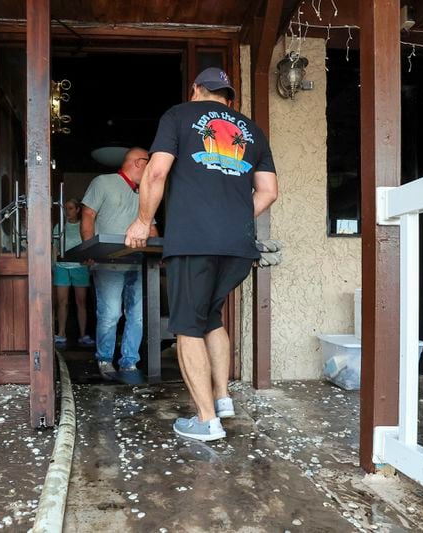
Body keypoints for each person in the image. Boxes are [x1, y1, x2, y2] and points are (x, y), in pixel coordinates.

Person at [125, 68, 278, 441]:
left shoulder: (178, 115)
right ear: (229, 97)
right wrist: (235, 218)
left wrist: (143, 221)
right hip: (239, 247)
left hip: (194, 242)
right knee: (211, 317)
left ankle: (206, 421)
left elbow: (157, 172)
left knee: (187, 326)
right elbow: (269, 191)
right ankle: (222, 398)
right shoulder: (253, 131)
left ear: (196, 90)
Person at [81, 148, 158, 380]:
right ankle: (104, 359)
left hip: (138, 261)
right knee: (111, 313)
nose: (153, 168)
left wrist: (157, 252)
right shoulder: (103, 182)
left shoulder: (146, 191)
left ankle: (129, 362)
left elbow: (152, 227)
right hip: (107, 261)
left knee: (137, 316)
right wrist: (89, 249)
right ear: (137, 163)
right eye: (149, 162)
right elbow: (87, 215)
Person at [52, 198, 95, 348]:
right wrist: (53, 267)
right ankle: (61, 334)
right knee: (62, 302)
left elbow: (89, 246)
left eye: (70, 208)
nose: (67, 211)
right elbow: (54, 248)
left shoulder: (84, 226)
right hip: (62, 267)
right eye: (65, 208)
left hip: (80, 267)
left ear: (77, 210)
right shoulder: (60, 226)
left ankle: (83, 335)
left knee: (81, 303)